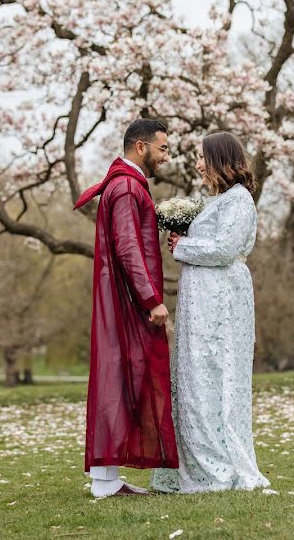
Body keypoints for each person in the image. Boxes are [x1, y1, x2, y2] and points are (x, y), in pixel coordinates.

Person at [151, 131, 270, 494]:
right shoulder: (218, 201)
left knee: (214, 376)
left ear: (220, 160)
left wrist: (184, 245)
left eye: (203, 158)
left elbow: (224, 249)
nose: (198, 165)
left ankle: (218, 468)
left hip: (221, 302)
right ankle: (196, 465)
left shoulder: (238, 201)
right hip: (199, 298)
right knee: (194, 377)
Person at [73, 118, 179, 497]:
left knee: (120, 380)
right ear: (140, 147)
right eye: (162, 148)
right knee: (120, 379)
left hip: (123, 298)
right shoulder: (125, 188)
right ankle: (104, 483)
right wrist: (151, 300)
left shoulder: (126, 186)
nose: (167, 156)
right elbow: (128, 247)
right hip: (126, 302)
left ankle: (107, 480)